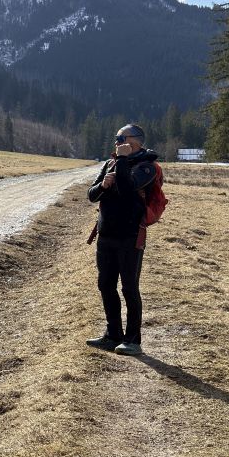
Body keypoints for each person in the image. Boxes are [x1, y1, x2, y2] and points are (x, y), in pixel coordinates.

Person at [86, 123, 161, 356]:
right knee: (105, 285)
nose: (116, 141)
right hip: (106, 235)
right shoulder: (111, 163)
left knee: (129, 288)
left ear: (136, 141)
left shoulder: (148, 167)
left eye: (121, 137)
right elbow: (91, 195)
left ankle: (133, 340)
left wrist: (121, 162)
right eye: (116, 137)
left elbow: (128, 189)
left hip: (130, 238)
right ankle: (113, 335)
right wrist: (102, 185)